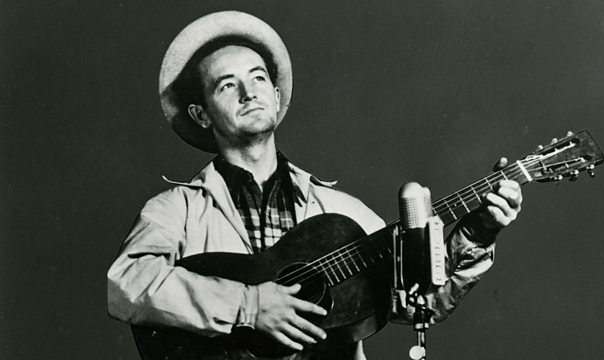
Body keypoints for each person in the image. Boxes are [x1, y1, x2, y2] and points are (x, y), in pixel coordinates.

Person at [107, 11, 523, 360]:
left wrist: (477, 231)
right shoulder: (175, 209)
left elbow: (420, 300)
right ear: (201, 114)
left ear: (274, 91)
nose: (248, 93)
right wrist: (250, 306)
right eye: (227, 84)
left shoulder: (342, 212)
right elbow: (127, 284)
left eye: (257, 78)